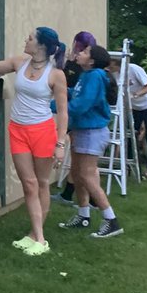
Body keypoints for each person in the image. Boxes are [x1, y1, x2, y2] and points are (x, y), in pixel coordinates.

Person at [0, 26, 68, 256]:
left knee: (41, 183)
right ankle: (35, 235)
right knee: (29, 184)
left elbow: (63, 112)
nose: (26, 39)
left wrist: (60, 144)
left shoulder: (56, 74)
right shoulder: (19, 62)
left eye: (31, 38)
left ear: (41, 46)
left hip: (43, 132)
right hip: (17, 130)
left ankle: (38, 237)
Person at [58, 44, 124, 239]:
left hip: (92, 132)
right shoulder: (86, 75)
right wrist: (57, 91)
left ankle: (111, 220)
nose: (79, 53)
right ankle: (83, 215)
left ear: (92, 60)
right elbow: (74, 94)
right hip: (82, 131)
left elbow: (82, 104)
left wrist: (56, 106)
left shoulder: (95, 76)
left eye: (85, 52)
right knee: (77, 174)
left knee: (86, 175)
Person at [52, 31, 97, 205]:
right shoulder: (80, 66)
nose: (77, 52)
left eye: (80, 49)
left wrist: (57, 106)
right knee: (77, 161)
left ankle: (95, 202)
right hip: (74, 114)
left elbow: (78, 96)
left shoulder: (88, 72)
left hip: (79, 117)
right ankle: (72, 196)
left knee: (86, 166)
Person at [122, 56, 147, 180]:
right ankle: (129, 166)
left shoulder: (134, 69)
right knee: (130, 135)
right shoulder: (114, 73)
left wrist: (135, 95)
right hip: (134, 108)